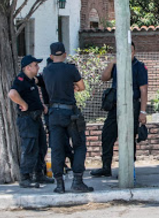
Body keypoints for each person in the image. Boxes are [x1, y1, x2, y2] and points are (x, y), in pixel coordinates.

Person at [91, 42, 148, 177]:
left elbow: (144, 90)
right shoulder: (117, 65)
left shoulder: (139, 67)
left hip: (132, 106)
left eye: (131, 51)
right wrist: (112, 63)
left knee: (128, 138)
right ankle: (106, 167)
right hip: (115, 106)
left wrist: (143, 111)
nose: (129, 54)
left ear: (134, 52)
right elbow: (104, 78)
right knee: (107, 135)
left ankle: (127, 169)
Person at [43, 42, 93, 193]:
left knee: (57, 149)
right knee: (79, 145)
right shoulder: (70, 69)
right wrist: (74, 87)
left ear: (51, 56)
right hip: (70, 113)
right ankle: (77, 181)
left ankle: (59, 185)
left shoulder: (46, 71)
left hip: (54, 114)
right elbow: (82, 87)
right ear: (64, 55)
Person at [8, 55, 53, 188]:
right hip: (27, 119)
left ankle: (39, 174)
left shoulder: (31, 80)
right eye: (35, 65)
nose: (38, 67)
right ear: (28, 67)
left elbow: (32, 95)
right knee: (30, 148)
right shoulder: (21, 80)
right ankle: (25, 177)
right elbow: (12, 94)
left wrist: (41, 106)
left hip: (36, 118)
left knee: (41, 146)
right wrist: (23, 104)